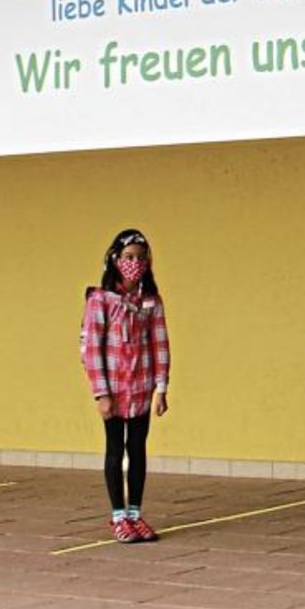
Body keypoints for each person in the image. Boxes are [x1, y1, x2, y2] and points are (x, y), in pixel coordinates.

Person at [79, 229, 170, 544]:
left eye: (141, 258)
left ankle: (135, 512)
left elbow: (160, 345)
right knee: (115, 450)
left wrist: (161, 388)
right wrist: (101, 392)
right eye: (128, 257)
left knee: (139, 449)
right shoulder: (102, 300)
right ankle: (117, 514)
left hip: (142, 390)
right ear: (115, 259)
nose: (135, 263)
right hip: (115, 391)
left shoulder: (150, 302)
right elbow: (91, 349)